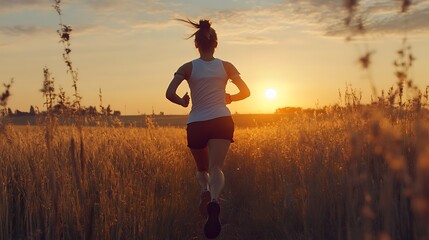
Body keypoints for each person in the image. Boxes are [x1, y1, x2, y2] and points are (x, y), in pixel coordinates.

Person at [165, 18, 250, 239]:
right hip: (222, 120)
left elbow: (169, 93)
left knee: (201, 170)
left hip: (197, 123)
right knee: (216, 168)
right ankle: (214, 201)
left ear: (196, 44)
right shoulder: (227, 66)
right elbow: (246, 92)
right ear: (215, 44)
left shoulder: (187, 67)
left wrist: (183, 102)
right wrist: (229, 97)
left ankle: (204, 192)